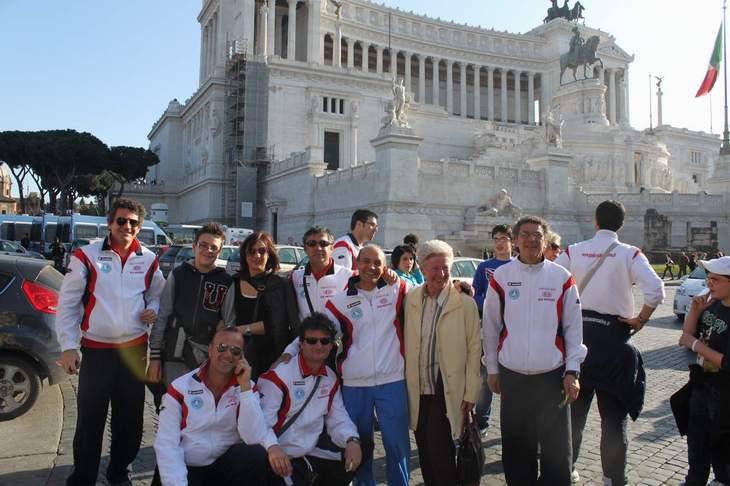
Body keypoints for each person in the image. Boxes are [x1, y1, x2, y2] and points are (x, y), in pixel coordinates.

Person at [56, 198, 165, 486]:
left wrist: (152, 307)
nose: (126, 226)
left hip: (135, 350)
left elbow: (158, 293)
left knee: (129, 421)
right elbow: (67, 304)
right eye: (121, 220)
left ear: (139, 227)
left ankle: (120, 475)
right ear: (109, 223)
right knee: (90, 420)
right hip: (97, 351)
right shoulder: (86, 256)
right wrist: (68, 346)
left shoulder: (149, 259)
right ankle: (83, 477)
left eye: (132, 222)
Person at [556, 200, 664, 486]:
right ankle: (613, 479)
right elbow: (655, 291)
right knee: (614, 421)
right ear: (621, 224)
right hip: (614, 342)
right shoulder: (631, 254)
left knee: (573, 416)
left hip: (577, 341)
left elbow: (553, 283)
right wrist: (640, 319)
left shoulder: (573, 251)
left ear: (595, 220)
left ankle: (568, 469)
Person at [484, 215, 585, 486]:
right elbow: (491, 327)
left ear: (545, 240)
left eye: (537, 235)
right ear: (515, 240)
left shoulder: (561, 277)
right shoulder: (502, 277)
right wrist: (492, 368)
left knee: (557, 455)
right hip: (513, 377)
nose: (531, 240)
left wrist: (572, 370)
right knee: (517, 453)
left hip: (551, 377)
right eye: (525, 235)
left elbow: (574, 329)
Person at [324, 245, 410, 486]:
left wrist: (461, 289)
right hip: (354, 383)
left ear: (385, 266)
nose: (371, 267)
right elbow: (317, 329)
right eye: (366, 261)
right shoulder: (339, 301)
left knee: (397, 444)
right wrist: (289, 353)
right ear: (357, 263)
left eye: (377, 263)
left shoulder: (398, 289)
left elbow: (428, 293)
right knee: (361, 444)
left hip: (392, 380)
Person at [404, 240, 481, 486]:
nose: (441, 274)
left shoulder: (465, 303)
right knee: (425, 449)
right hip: (418, 388)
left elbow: (474, 349)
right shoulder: (412, 298)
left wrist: (471, 392)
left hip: (445, 387)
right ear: (422, 269)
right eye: (435, 268)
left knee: (441, 452)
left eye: (446, 267)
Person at [153, 327, 270, 486]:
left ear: (242, 357)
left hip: (221, 466)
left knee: (256, 455)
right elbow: (167, 445)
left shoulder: (247, 388)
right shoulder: (180, 388)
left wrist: (245, 389)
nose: (228, 354)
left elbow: (253, 437)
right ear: (210, 350)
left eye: (235, 351)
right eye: (222, 347)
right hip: (186, 469)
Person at [258, 313, 363, 486]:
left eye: (324, 341)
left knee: (362, 444)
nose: (318, 345)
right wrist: (273, 448)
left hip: (311, 451)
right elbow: (261, 424)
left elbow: (337, 418)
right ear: (301, 344)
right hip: (278, 453)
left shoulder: (330, 377)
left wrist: (352, 440)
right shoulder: (279, 375)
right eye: (312, 340)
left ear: (331, 345)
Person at [148, 222, 236, 386]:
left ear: (220, 251)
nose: (208, 250)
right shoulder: (178, 275)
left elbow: (230, 323)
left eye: (213, 247)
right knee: (172, 405)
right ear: (194, 246)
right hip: (174, 354)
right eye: (203, 245)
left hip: (207, 358)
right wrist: (155, 356)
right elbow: (163, 315)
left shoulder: (226, 281)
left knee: (202, 408)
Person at [677, 257, 730, 486]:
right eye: (708, 279)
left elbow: (726, 362)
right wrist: (695, 311)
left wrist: (696, 345)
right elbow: (686, 336)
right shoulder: (713, 304)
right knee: (697, 441)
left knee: (721, 443)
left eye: (715, 280)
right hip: (701, 384)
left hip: (724, 392)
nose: (709, 285)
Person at [233, 230, 299, 379]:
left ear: (269, 254)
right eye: (251, 251)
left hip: (274, 356)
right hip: (240, 358)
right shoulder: (234, 282)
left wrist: (242, 329)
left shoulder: (281, 284)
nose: (257, 256)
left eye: (262, 251)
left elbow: (287, 323)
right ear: (244, 255)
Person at [472, 224, 514, 435]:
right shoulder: (484, 267)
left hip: (512, 333)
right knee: (486, 378)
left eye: (504, 238)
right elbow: (475, 295)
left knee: (512, 380)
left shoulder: (519, 266)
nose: (500, 242)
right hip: (488, 330)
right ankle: (482, 421)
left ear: (512, 241)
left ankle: (512, 422)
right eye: (496, 238)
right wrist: (493, 302)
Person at [290, 226, 352, 321]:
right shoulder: (295, 277)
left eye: (323, 243)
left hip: (336, 335)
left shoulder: (349, 276)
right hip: (306, 335)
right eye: (312, 244)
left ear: (332, 248)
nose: (318, 248)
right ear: (305, 249)